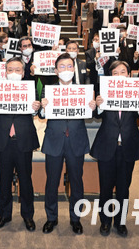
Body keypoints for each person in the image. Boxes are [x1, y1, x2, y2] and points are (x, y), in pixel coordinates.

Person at [40, 53, 96, 235]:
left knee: (77, 182)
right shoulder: (48, 90)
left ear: (74, 69)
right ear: (56, 71)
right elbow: (41, 115)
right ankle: (51, 218)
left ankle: (75, 218)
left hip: (76, 140)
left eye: (69, 66)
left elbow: (90, 115)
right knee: (51, 182)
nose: (66, 70)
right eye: (62, 67)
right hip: (54, 140)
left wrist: (93, 106)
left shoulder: (84, 90)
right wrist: (43, 106)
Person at [91, 60, 139, 237]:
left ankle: (120, 222)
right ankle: (105, 221)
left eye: (123, 72)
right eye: (115, 73)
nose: (120, 75)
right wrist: (98, 106)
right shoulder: (103, 93)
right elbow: (96, 116)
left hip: (128, 146)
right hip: (107, 145)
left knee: (124, 188)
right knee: (106, 188)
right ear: (110, 76)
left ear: (129, 75)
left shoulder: (138, 92)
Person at [0, 57, 41, 231]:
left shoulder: (31, 89)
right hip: (4, 140)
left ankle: (28, 216)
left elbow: (39, 109)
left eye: (18, 70)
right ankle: (4, 215)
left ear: (23, 73)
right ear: (5, 72)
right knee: (4, 181)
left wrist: (36, 106)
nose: (14, 73)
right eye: (10, 70)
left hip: (23, 139)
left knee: (26, 181)